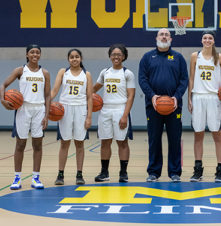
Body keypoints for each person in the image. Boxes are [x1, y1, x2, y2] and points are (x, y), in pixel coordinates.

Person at [139, 28, 188, 182]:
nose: (164, 36)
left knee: (175, 139)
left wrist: (176, 97)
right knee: (154, 139)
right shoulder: (147, 57)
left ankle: (174, 172)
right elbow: (142, 79)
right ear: (156, 38)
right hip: (153, 106)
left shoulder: (178, 58)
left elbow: (184, 80)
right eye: (162, 34)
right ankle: (153, 172)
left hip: (173, 106)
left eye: (167, 34)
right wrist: (152, 96)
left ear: (171, 39)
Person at [0, 44, 50, 190]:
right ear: (27, 55)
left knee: (37, 144)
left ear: (40, 55)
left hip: (39, 109)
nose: (35, 54)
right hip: (23, 108)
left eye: (37, 52)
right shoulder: (20, 70)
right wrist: (3, 100)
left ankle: (35, 178)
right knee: (20, 144)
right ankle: (17, 178)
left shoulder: (45, 73)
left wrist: (46, 115)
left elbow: (47, 95)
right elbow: (3, 85)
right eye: (32, 52)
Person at [187, 31, 221, 182]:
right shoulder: (194, 56)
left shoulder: (219, 57)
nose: (207, 40)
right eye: (205, 38)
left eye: (210, 38)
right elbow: (191, 78)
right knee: (198, 134)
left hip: (213, 97)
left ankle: (220, 169)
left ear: (213, 41)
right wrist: (189, 98)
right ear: (201, 40)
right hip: (198, 96)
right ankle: (198, 170)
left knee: (217, 134)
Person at [93, 44, 135, 183]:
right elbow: (94, 89)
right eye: (113, 54)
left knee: (122, 142)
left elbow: (131, 96)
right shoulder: (105, 72)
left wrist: (124, 115)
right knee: (105, 142)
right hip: (105, 109)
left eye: (119, 54)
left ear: (123, 56)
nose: (116, 57)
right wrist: (85, 95)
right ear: (110, 56)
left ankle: (123, 173)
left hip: (120, 109)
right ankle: (104, 172)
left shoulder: (127, 73)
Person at [51, 49, 93, 185]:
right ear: (68, 59)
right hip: (65, 109)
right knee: (64, 143)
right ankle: (60, 174)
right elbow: (54, 90)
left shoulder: (86, 74)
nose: (74, 59)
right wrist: (45, 102)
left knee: (79, 143)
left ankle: (79, 174)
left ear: (81, 58)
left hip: (80, 109)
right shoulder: (63, 72)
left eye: (77, 57)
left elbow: (90, 98)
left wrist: (89, 117)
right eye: (71, 57)